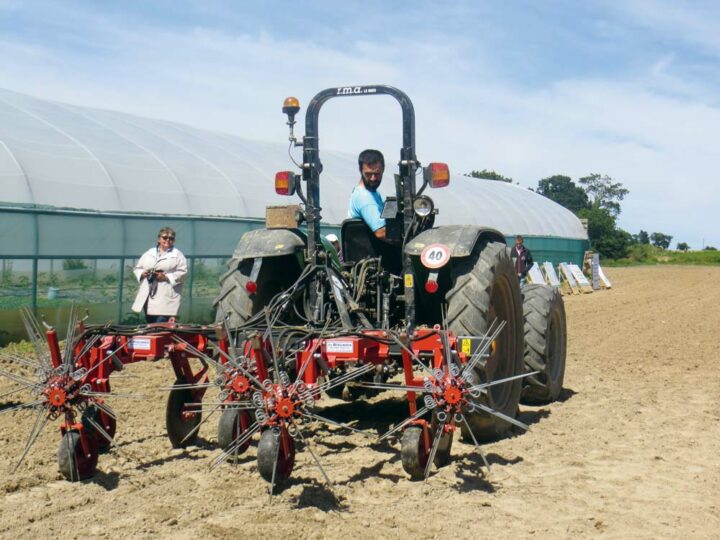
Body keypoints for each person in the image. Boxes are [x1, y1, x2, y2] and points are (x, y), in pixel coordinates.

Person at [131, 227, 188, 323]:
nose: (168, 240)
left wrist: (166, 277)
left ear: (174, 240)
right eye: (165, 237)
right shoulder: (149, 253)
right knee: (151, 325)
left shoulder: (178, 255)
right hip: (148, 295)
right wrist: (143, 274)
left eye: (171, 238)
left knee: (161, 324)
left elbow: (183, 273)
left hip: (165, 296)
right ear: (159, 239)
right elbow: (138, 268)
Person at [347, 149, 388, 239]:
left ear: (383, 169)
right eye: (368, 174)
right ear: (360, 170)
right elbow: (381, 233)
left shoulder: (373, 193)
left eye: (376, 174)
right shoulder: (364, 197)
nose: (373, 178)